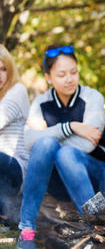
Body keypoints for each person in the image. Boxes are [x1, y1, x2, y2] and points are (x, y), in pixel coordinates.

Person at [17, 44, 105, 249]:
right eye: (62, 74)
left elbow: (88, 144)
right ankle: (26, 231)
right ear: (48, 77)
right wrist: (71, 127)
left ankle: (93, 231)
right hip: (58, 183)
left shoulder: (92, 97)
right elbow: (28, 142)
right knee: (44, 144)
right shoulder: (41, 103)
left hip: (95, 176)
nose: (69, 78)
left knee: (64, 153)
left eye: (74, 72)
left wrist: (47, 132)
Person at [0, 45, 30, 228]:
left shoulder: (17, 91)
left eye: (4, 69)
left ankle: (6, 213)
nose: (0, 75)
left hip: (15, 170)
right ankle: (5, 215)